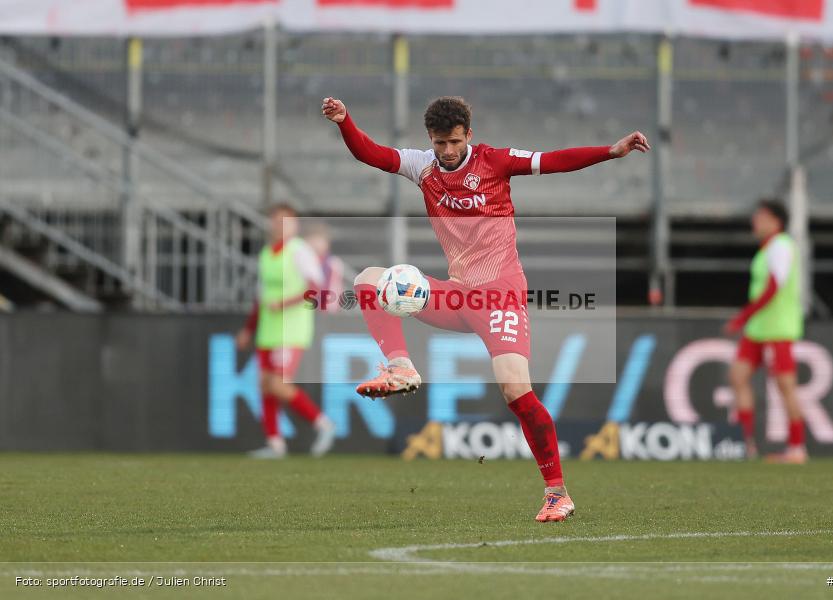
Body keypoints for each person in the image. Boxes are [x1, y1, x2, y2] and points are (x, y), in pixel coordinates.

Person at [323, 95, 649, 521]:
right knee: (368, 279)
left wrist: (610, 151)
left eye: (455, 142)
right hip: (459, 295)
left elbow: (554, 161)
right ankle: (400, 366)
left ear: (469, 136)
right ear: (431, 139)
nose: (447, 152)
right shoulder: (422, 166)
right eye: (439, 143)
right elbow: (372, 153)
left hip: (500, 295)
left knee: (515, 391)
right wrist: (346, 122)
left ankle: (557, 492)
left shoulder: (496, 162)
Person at [236, 204, 336, 459]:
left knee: (277, 383)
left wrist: (285, 303)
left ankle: (322, 423)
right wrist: (248, 329)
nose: (280, 225)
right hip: (268, 329)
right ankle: (275, 443)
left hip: (292, 328)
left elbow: (314, 287)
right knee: (264, 385)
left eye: (286, 221)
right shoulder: (266, 254)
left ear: (294, 225)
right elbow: (261, 298)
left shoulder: (299, 251)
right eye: (276, 220)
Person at [725, 199, 807, 464]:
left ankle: (797, 448)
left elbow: (774, 287)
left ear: (776, 221)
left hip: (777, 327)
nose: (755, 221)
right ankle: (745, 444)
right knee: (738, 376)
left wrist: (742, 316)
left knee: (785, 385)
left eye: (760, 216)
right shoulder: (766, 249)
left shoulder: (782, 246)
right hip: (759, 327)